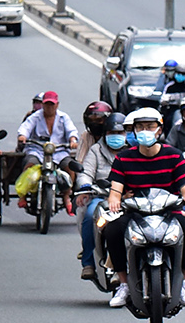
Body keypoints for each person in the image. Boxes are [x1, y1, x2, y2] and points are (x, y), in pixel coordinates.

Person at [103, 106, 185, 309]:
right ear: (134, 131)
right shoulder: (124, 158)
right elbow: (116, 188)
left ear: (159, 129)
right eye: (140, 127)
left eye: (149, 126)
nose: (145, 131)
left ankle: (183, 281)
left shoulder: (174, 156)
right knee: (112, 230)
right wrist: (114, 199)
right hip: (134, 212)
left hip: (169, 212)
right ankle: (123, 283)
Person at [74, 111, 129, 280]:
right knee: (90, 215)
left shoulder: (132, 151)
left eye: (119, 133)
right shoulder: (96, 150)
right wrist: (85, 186)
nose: (116, 137)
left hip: (128, 198)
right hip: (101, 197)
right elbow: (86, 172)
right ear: (105, 134)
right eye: (112, 133)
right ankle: (88, 262)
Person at [16, 90, 80, 202]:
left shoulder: (63, 117)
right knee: (29, 164)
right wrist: (23, 136)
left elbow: (71, 131)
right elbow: (25, 128)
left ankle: (67, 195)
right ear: (43, 104)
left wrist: (72, 140)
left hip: (59, 151)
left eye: (52, 104)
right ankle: (23, 195)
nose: (49, 107)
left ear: (57, 105)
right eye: (47, 104)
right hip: (38, 150)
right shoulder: (35, 117)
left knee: (70, 167)